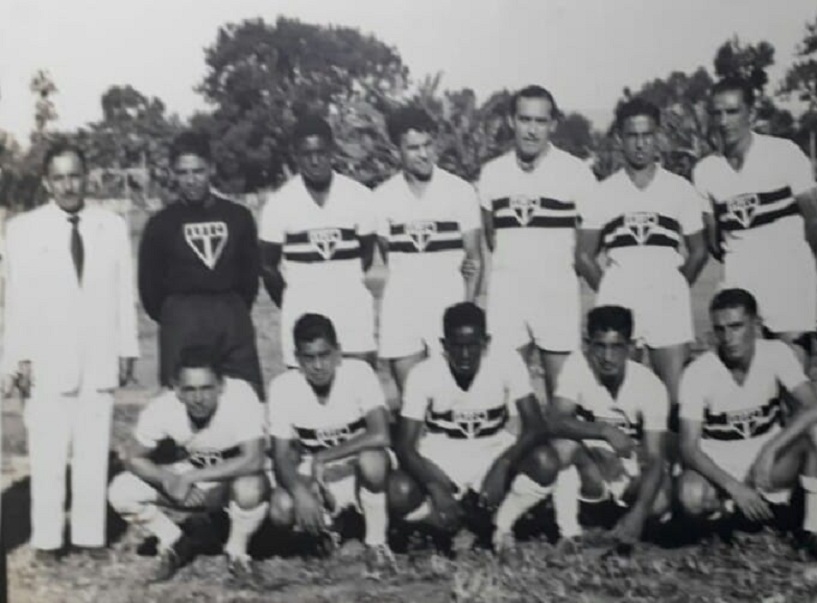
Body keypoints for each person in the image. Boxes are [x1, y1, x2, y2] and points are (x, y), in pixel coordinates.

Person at [1, 142, 139, 561]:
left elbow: (122, 291)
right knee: (47, 452)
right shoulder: (23, 229)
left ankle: (90, 535)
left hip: (98, 355)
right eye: (58, 177)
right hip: (45, 359)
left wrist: (127, 346)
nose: (68, 185)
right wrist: (17, 357)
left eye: (74, 175)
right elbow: (15, 300)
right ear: (46, 182)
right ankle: (46, 539)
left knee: (94, 448)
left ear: (87, 176)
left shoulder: (110, 226)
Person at [389, 302, 558, 555]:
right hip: (441, 456)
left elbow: (536, 426)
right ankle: (446, 526)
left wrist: (502, 465)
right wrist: (435, 487)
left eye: (473, 345)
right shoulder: (423, 373)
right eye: (457, 346)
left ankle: (501, 524)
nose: (465, 354)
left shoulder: (507, 360)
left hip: (492, 449)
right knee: (397, 490)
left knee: (546, 461)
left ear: (486, 342)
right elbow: (405, 445)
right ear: (444, 345)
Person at [575, 97, 708, 419]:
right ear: (619, 139)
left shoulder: (679, 189)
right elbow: (583, 255)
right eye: (632, 136)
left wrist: (675, 283)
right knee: (623, 401)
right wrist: (610, 292)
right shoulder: (602, 192)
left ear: (658, 136)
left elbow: (699, 250)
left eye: (647, 135)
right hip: (621, 302)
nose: (640, 144)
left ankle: (673, 468)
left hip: (668, 302)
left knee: (675, 403)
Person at [108, 346, 269, 582]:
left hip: (232, 479)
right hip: (193, 474)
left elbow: (254, 459)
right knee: (121, 491)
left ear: (221, 385)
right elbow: (132, 456)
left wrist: (190, 478)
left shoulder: (240, 395)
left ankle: (237, 551)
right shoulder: (163, 408)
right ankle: (174, 540)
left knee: (249, 487)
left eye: (206, 388)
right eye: (190, 390)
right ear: (177, 390)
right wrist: (168, 479)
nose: (199, 398)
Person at [478, 85, 597, 400]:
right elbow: (492, 237)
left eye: (540, 121)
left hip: (556, 298)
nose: (532, 130)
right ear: (511, 121)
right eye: (524, 119)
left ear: (553, 124)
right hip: (508, 299)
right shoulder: (492, 174)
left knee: (563, 398)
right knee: (506, 397)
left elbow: (590, 242)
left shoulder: (577, 173)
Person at [678, 288, 817, 550]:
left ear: (756, 325)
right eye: (720, 329)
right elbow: (688, 447)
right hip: (720, 466)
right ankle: (734, 523)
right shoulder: (698, 372)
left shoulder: (776, 352)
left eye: (736, 326)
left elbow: (813, 404)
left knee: (815, 428)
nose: (728, 338)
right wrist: (733, 487)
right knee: (691, 497)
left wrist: (770, 449)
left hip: (768, 463)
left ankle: (812, 529)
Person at [693, 77, 817, 364]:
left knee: (794, 382)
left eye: (733, 111)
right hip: (740, 292)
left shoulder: (784, 153)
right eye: (717, 113)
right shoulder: (706, 170)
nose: (724, 121)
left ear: (751, 112)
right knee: (746, 390)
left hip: (790, 286)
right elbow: (714, 242)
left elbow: (813, 219)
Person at [267, 313, 396, 575]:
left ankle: (376, 542)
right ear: (297, 358)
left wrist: (322, 457)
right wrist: (300, 493)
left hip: (356, 467)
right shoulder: (282, 387)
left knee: (372, 459)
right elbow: (280, 456)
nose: (318, 365)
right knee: (281, 507)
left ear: (338, 352)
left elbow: (381, 434)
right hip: (316, 476)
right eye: (308, 358)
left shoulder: (359, 372)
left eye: (324, 355)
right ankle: (330, 528)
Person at [138, 131, 264, 398]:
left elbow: (250, 276)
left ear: (211, 169)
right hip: (181, 319)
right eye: (183, 173)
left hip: (230, 315)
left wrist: (231, 308)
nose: (192, 180)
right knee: (182, 398)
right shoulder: (161, 224)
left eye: (198, 171)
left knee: (243, 396)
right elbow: (149, 288)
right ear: (173, 174)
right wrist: (177, 313)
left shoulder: (238, 217)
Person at [375, 107, 483, 394]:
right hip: (402, 311)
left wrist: (466, 310)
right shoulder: (383, 197)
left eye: (427, 145)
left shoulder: (459, 191)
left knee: (450, 399)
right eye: (413, 148)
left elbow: (473, 259)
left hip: (446, 308)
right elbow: (390, 256)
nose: (423, 154)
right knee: (412, 401)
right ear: (396, 149)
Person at [259, 115, 377, 368]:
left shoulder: (359, 196)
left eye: (321, 152)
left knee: (359, 391)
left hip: (352, 314)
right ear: (296, 156)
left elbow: (365, 255)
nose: (315, 160)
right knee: (306, 399)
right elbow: (267, 266)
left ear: (332, 151)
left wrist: (340, 282)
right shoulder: (279, 203)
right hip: (302, 317)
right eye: (306, 154)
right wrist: (295, 298)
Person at [548, 306, 670, 546]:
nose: (607, 357)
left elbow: (656, 458)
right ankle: (570, 533)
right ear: (588, 345)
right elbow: (555, 420)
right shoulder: (577, 366)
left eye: (616, 347)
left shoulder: (650, 385)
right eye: (600, 346)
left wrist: (640, 512)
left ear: (631, 347)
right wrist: (604, 431)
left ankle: (628, 519)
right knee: (562, 447)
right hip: (592, 466)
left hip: (629, 470)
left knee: (659, 502)